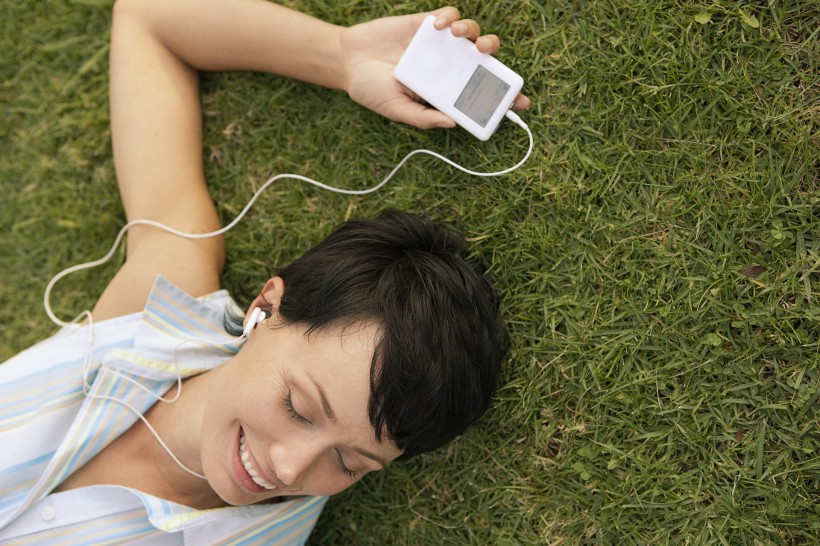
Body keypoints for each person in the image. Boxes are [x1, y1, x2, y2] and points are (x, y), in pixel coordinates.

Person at [0, 0, 529, 543]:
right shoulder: (152, 316)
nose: (290, 469)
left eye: (348, 463)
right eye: (298, 407)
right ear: (264, 309)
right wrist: (339, 54)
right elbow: (148, 22)